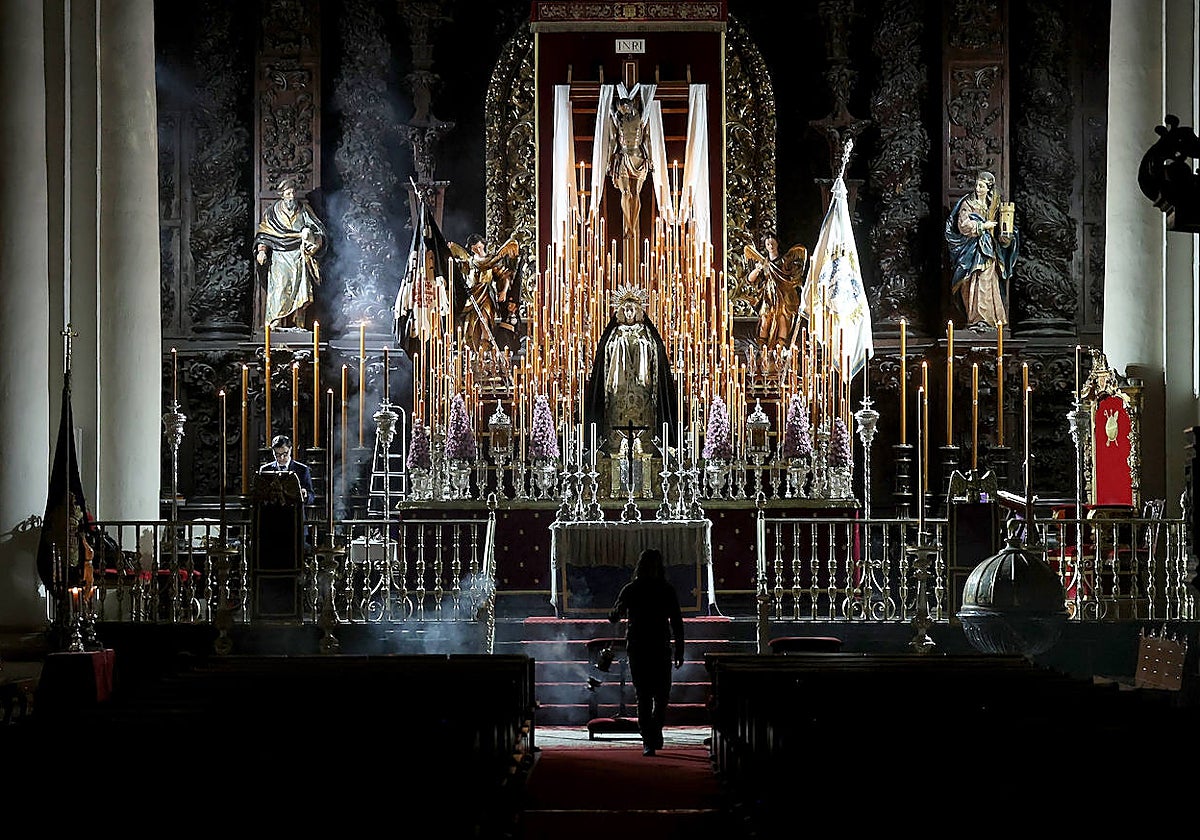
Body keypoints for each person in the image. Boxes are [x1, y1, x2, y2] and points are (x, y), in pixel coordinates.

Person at [583, 283, 678, 457]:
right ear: (620, 312)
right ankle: (613, 451)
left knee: (644, 424)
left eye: (632, 310)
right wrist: (621, 344)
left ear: (638, 311)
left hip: (643, 390)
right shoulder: (614, 333)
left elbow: (656, 355)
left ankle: (647, 450)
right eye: (626, 310)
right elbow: (605, 355)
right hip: (618, 391)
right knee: (617, 423)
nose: (629, 314)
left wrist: (641, 345)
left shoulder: (647, 333)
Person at [608, 548, 685, 757]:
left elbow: (676, 621)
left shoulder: (643, 589)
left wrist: (679, 648)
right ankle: (649, 738)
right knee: (648, 695)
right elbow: (615, 615)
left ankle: (652, 733)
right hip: (645, 646)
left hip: (653, 645)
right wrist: (617, 611)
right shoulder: (637, 589)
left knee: (657, 695)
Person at [945, 170, 1019, 331]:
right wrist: (982, 226)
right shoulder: (968, 204)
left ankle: (988, 318)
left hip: (988, 249)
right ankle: (974, 317)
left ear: (988, 188)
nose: (978, 189)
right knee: (971, 281)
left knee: (987, 282)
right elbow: (962, 225)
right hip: (971, 249)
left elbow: (1003, 226)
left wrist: (1006, 235)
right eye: (977, 185)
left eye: (981, 186)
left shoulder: (994, 205)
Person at [254, 177, 327, 330]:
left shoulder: (304, 209)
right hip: (279, 257)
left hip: (299, 256)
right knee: (279, 288)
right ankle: (275, 321)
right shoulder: (272, 212)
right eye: (288, 193)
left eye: (293, 192)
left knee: (301, 291)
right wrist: (262, 251)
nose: (291, 196)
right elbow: (265, 234)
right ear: (282, 195)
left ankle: (299, 324)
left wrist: (313, 242)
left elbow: (319, 231)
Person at [449, 234, 521, 353]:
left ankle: (484, 350)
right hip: (472, 296)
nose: (478, 250)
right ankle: (472, 350)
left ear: (483, 245)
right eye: (475, 248)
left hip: (486, 295)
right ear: (471, 249)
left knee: (484, 321)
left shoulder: (491, 261)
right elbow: (461, 272)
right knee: (470, 324)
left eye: (479, 247)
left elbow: (505, 277)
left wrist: (503, 291)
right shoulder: (470, 262)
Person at [744, 234, 808, 349]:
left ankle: (779, 350)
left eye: (772, 243)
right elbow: (750, 279)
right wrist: (759, 269)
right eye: (768, 244)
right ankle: (763, 350)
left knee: (783, 319)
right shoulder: (762, 262)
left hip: (783, 296)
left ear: (777, 243)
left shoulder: (784, 262)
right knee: (765, 320)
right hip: (768, 297)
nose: (771, 246)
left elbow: (791, 277)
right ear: (765, 246)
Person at [258, 434, 315, 507]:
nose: (281, 458)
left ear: (290, 449)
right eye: (277, 455)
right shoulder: (265, 469)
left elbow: (312, 496)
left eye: (285, 454)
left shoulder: (302, 469)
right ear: (273, 452)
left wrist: (306, 495)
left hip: (294, 514)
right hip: (272, 514)